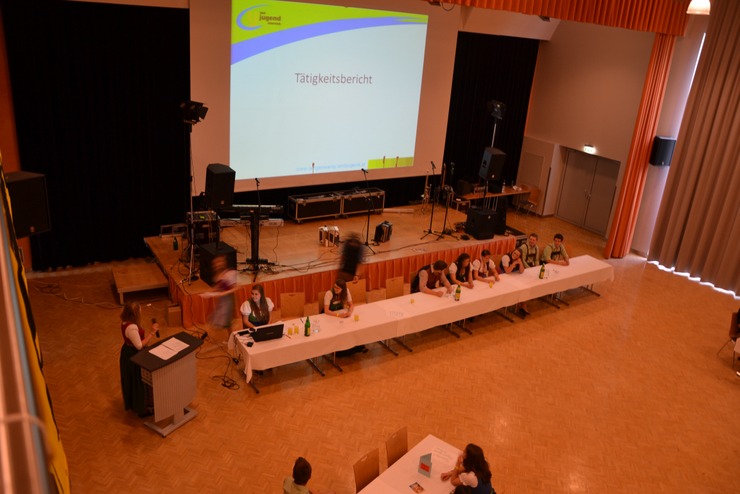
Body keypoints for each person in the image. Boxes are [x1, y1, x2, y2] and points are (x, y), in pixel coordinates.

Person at [119, 302, 159, 417]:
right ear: (134, 314)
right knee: (139, 381)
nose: (141, 311)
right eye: (139, 310)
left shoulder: (126, 322)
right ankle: (143, 408)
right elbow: (139, 346)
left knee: (136, 380)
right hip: (133, 355)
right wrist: (152, 333)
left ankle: (140, 405)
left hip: (129, 352)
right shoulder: (132, 327)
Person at [203, 255, 238, 330]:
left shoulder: (229, 274)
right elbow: (217, 287)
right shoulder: (218, 275)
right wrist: (208, 293)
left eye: (218, 263)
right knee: (222, 320)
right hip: (222, 300)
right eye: (215, 264)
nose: (216, 266)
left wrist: (223, 293)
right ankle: (229, 335)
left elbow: (235, 288)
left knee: (226, 320)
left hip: (228, 300)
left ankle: (231, 335)